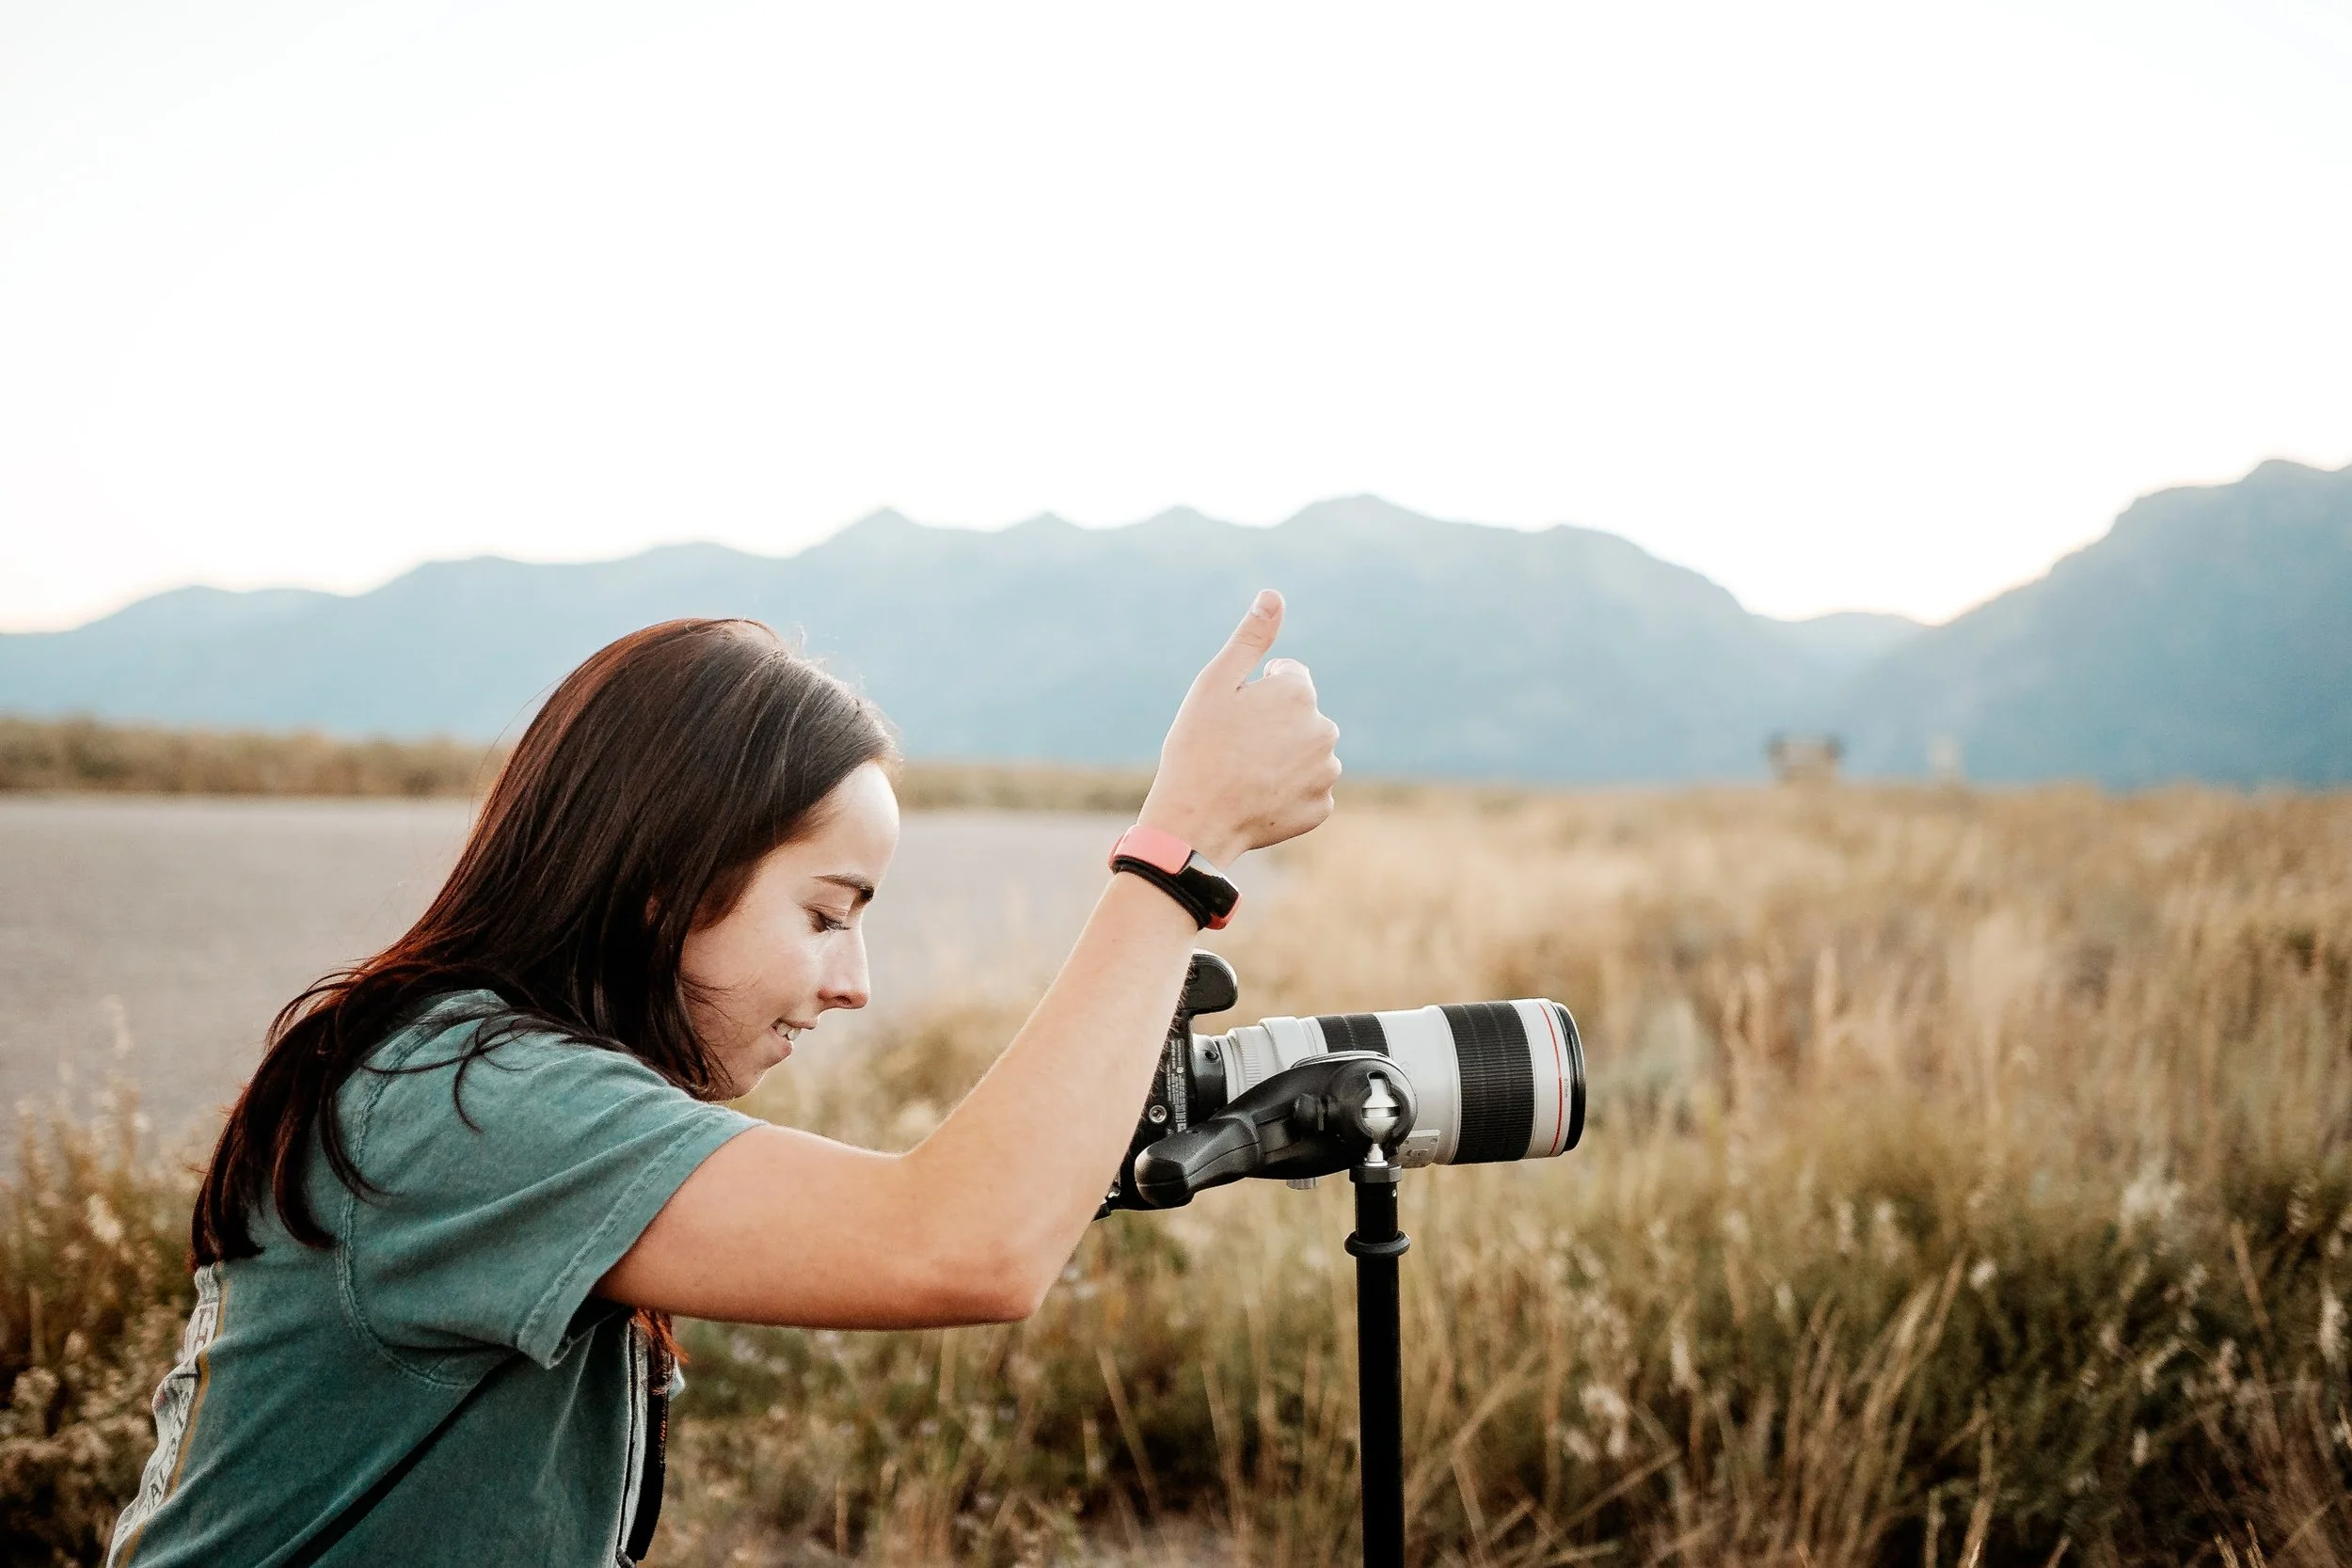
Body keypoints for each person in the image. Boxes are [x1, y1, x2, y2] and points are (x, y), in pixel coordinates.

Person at [104, 593, 1340, 1567]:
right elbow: (963, 1244)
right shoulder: (470, 1096)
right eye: (824, 912)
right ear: (664, 883)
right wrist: (1181, 853)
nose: (853, 982)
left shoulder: (469, 1065)